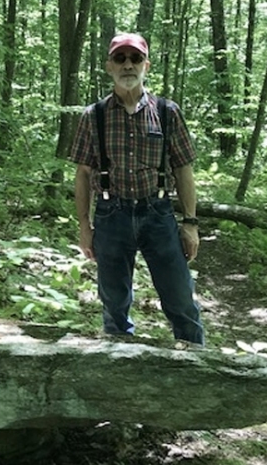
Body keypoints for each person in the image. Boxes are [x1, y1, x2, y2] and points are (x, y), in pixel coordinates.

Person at [69, 32, 204, 345]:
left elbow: (184, 169)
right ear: (109, 66)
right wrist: (84, 225)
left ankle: (199, 370)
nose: (128, 65)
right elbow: (82, 173)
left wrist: (191, 223)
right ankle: (119, 374)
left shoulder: (167, 112)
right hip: (110, 216)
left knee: (181, 300)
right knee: (114, 305)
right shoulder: (94, 116)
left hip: (158, 214)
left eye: (135, 58)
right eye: (120, 58)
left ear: (147, 65)